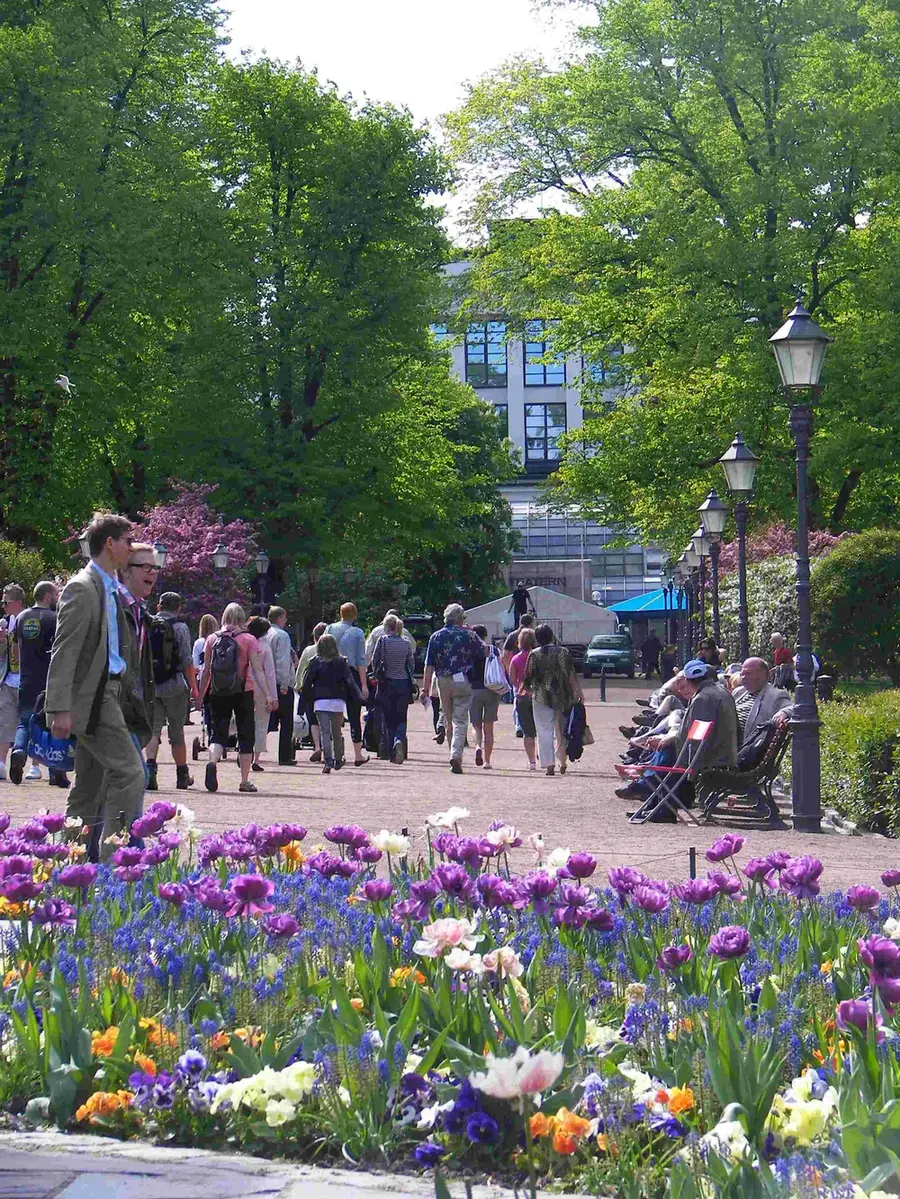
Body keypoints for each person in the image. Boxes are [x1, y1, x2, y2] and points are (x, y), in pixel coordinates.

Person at [45, 512, 145, 855]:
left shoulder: (110, 587)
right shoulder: (82, 587)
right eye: (128, 541)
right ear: (109, 544)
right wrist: (59, 708)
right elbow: (64, 650)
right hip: (96, 698)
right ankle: (114, 863)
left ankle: (70, 866)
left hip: (109, 694)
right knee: (132, 774)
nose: (131, 549)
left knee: (88, 787)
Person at [198, 603, 270, 794]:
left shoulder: (212, 639)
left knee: (218, 732)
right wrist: (269, 694)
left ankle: (212, 762)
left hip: (217, 691)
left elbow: (206, 670)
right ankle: (244, 781)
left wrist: (199, 694)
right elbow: (257, 670)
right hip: (243, 691)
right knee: (246, 734)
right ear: (241, 618)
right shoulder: (248, 639)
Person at [9, 581, 67, 787]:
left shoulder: (21, 617)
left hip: (26, 679)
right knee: (53, 724)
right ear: (48, 597)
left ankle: (18, 750)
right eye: (56, 594)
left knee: (24, 721)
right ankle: (56, 772)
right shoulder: (55, 618)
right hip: (49, 680)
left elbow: (14, 649)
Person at [420, 603, 487, 774]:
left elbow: (429, 665)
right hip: (463, 679)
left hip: (442, 680)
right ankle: (456, 755)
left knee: (449, 720)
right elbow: (484, 651)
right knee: (460, 720)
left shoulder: (435, 636)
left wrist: (425, 689)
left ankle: (453, 754)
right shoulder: (469, 634)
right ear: (459, 619)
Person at [144, 592, 199, 791]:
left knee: (153, 730)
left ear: (159, 607)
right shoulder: (180, 627)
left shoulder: (147, 624)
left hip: (151, 685)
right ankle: (182, 776)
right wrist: (194, 687)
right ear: (178, 608)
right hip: (175, 685)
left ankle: (150, 771)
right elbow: (186, 660)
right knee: (177, 732)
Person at [523, 624, 583, 776]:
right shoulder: (564, 652)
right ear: (551, 636)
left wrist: (528, 690)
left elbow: (528, 677)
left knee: (544, 731)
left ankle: (549, 764)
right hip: (563, 696)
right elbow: (571, 675)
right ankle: (562, 760)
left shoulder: (534, 654)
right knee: (562, 731)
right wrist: (578, 693)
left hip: (541, 696)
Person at [301, 633, 363, 773]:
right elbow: (350, 681)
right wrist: (358, 695)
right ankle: (339, 757)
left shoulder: (315, 661)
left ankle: (328, 760)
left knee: (325, 732)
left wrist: (302, 705)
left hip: (320, 701)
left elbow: (307, 683)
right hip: (337, 700)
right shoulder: (342, 661)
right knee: (336, 731)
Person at [326, 602, 369, 766]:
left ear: (340, 613)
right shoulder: (358, 633)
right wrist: (363, 685)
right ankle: (358, 754)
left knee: (332, 714)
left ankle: (333, 752)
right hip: (351, 674)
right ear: (355, 615)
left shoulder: (330, 629)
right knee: (354, 714)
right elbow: (360, 660)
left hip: (331, 673)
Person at [371, 613, 415, 763]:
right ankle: (399, 740)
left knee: (388, 718)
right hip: (403, 683)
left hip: (386, 683)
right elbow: (411, 664)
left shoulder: (383, 640)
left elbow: (374, 661)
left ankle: (391, 751)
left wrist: (377, 676)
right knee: (401, 717)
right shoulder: (406, 642)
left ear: (386, 626)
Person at [733, 657, 791, 746]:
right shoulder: (738, 692)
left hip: (742, 749)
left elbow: (795, 708)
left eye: (748, 673)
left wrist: (784, 712)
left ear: (763, 675)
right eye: (742, 674)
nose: (743, 678)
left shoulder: (775, 695)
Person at [467, 625, 503, 769]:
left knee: (476, 725)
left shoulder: (469, 651)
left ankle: (477, 746)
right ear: (485, 635)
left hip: (474, 690)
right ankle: (487, 761)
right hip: (492, 689)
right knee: (489, 728)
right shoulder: (494, 650)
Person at [0, 583, 26, 779]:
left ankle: (35, 765)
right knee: (5, 722)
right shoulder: (4, 623)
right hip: (8, 679)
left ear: (17, 602)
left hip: (28, 680)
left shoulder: (30, 619)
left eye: (5, 602)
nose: (3, 605)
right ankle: (1, 763)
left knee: (30, 722)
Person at [265, 606, 296, 765]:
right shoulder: (282, 636)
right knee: (286, 722)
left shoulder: (264, 634)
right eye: (284, 617)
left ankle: (249, 752)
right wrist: (285, 684)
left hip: (265, 683)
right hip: (279, 682)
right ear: (279, 618)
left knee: (263, 721)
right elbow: (282, 661)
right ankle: (284, 756)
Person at [246, 616, 278, 770]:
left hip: (244, 686)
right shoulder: (265, 647)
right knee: (261, 723)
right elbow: (270, 673)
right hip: (261, 688)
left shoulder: (244, 643)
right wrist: (272, 696)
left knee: (244, 721)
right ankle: (256, 758)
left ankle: (243, 750)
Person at [296, 622, 327, 761]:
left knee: (313, 720)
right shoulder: (333, 651)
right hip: (328, 690)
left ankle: (317, 746)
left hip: (311, 690)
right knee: (328, 719)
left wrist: (298, 685)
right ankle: (328, 747)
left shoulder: (308, 650)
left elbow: (301, 669)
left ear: (314, 636)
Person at [509, 627, 538, 770]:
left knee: (528, 732)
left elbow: (513, 680)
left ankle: (532, 761)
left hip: (522, 696)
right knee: (542, 728)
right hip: (538, 696)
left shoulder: (515, 659)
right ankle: (543, 755)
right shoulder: (537, 657)